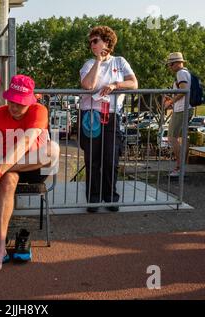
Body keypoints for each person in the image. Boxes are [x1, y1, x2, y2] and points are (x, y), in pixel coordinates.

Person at [0, 74, 59, 273]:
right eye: (11, 101)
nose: (14, 107)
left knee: (53, 149)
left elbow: (26, 143)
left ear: (30, 100)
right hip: (7, 168)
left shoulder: (38, 110)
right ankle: (0, 245)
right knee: (7, 180)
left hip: (33, 166)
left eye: (20, 103)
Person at [80, 26, 138, 212]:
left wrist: (115, 85)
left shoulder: (120, 62)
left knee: (111, 159)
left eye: (95, 41)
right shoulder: (89, 64)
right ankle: (93, 200)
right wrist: (98, 60)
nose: (92, 45)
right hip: (91, 115)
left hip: (112, 115)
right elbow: (88, 85)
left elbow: (134, 83)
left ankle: (111, 197)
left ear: (107, 42)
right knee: (93, 159)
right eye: (90, 42)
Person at [164, 52, 193, 177]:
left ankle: (179, 168)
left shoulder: (180, 73)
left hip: (181, 109)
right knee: (183, 138)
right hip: (186, 107)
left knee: (172, 137)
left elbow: (184, 89)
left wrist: (171, 100)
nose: (169, 67)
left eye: (170, 64)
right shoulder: (187, 73)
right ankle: (182, 167)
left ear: (175, 63)